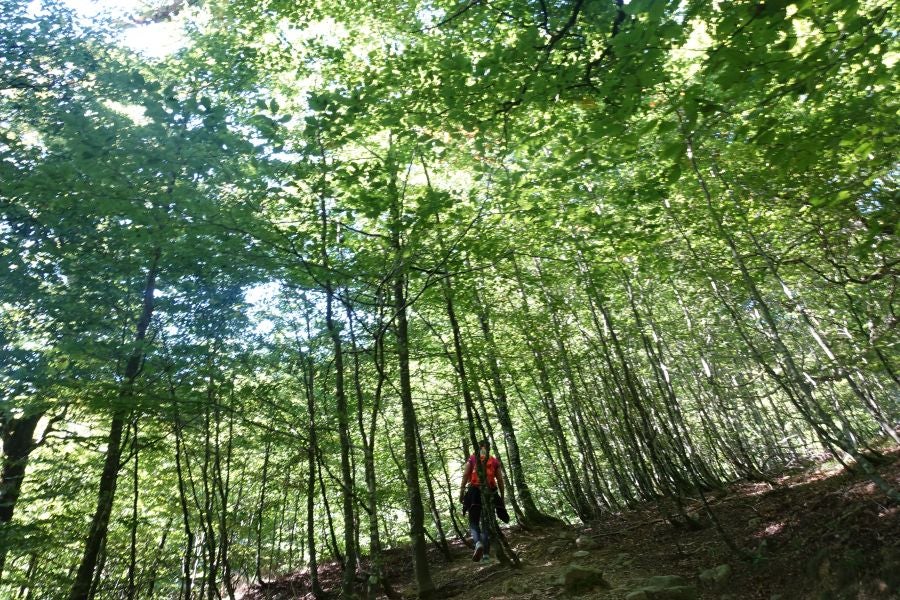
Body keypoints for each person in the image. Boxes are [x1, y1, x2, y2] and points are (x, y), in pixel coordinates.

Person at [459, 439, 505, 563]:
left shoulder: (473, 459)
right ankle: (485, 557)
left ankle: (478, 543)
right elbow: (500, 480)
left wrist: (462, 491)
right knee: (486, 524)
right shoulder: (494, 461)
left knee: (473, 522)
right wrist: (502, 497)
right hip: (490, 493)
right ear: (489, 448)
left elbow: (465, 474)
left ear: (478, 447)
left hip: (474, 492)